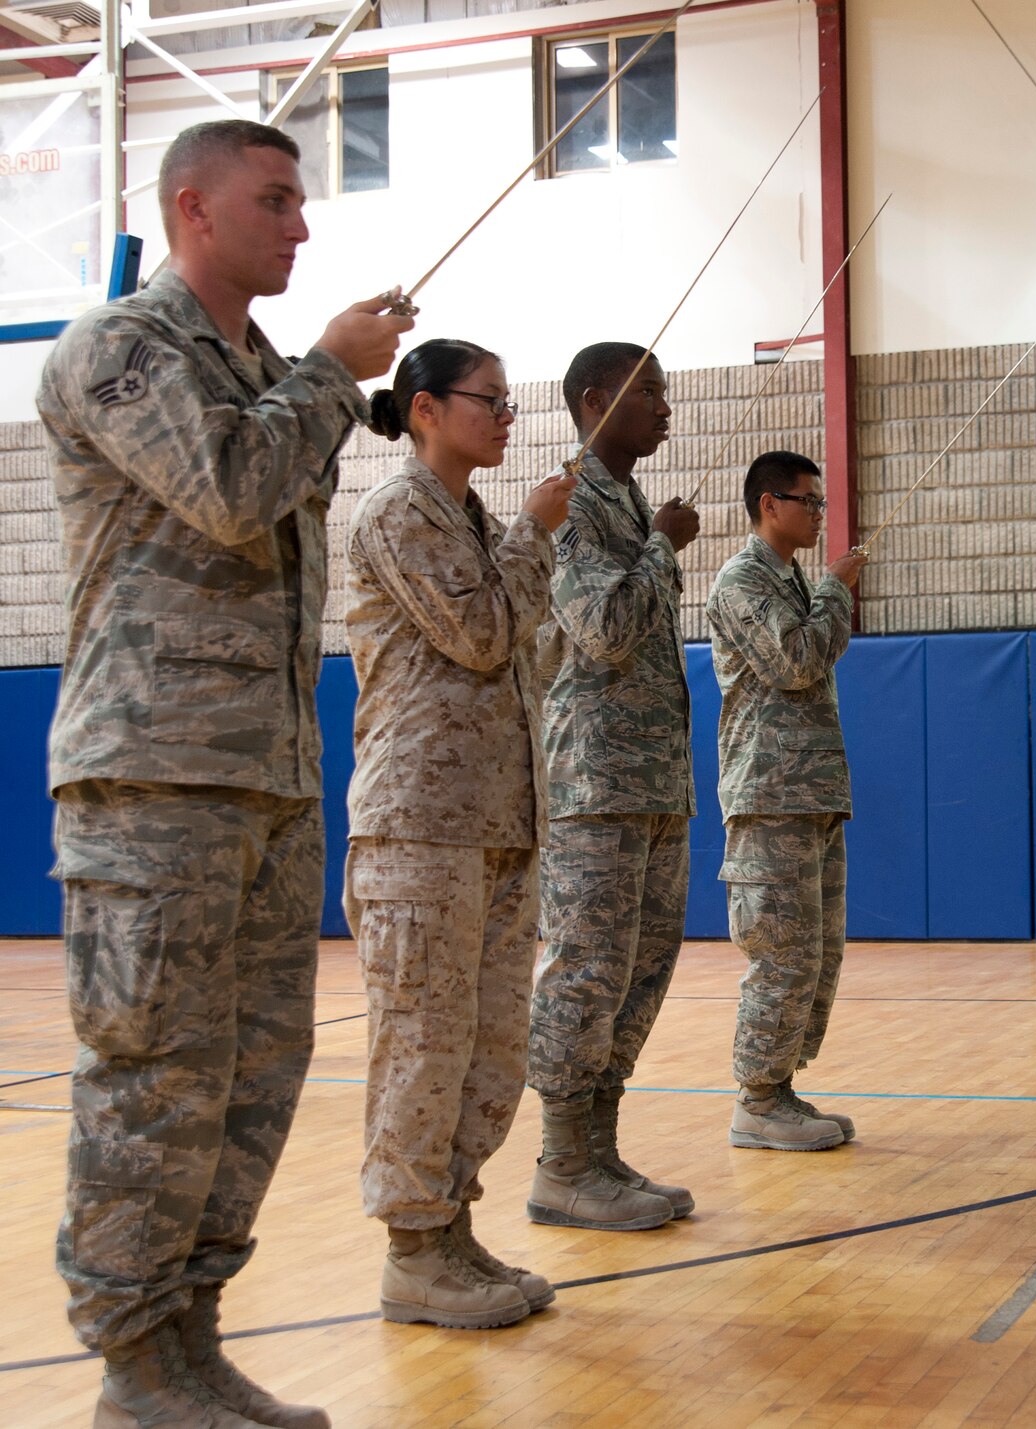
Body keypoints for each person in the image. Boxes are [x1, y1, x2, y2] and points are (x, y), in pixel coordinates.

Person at [37, 118, 408, 1429]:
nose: (300, 226)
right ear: (191, 207)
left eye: (302, 203)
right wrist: (332, 374)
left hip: (266, 779)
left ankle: (191, 1342)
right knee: (154, 1072)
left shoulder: (261, 374)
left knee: (254, 1072)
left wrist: (313, 382)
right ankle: (133, 1364)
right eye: (275, 201)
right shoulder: (120, 350)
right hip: (151, 780)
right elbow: (231, 488)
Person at [345, 339, 575, 1329]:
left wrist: (521, 539)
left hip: (494, 820)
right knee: (422, 1042)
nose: (506, 416)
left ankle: (450, 1231)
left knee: (488, 1047)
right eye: (489, 400)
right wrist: (533, 531)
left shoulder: (475, 522)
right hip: (419, 826)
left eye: (508, 402)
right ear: (427, 409)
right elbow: (481, 633)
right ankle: (411, 1251)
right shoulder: (400, 511)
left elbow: (531, 649)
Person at [525, 343, 701, 1230]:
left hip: (654, 779)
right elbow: (601, 629)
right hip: (594, 778)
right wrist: (663, 551)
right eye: (652, 394)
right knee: (586, 969)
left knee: (641, 968)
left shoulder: (630, 502)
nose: (666, 408)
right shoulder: (571, 505)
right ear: (597, 400)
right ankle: (559, 1162)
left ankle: (599, 1147)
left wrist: (655, 537)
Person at [705, 452, 867, 1150]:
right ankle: (756, 1099)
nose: (819, 512)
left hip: (810, 795)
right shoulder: (743, 581)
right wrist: (836, 590)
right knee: (782, 952)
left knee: (816, 952)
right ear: (770, 504)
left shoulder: (792, 581)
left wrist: (825, 591)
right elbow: (798, 660)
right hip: (769, 795)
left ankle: (781, 1086)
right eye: (809, 501)